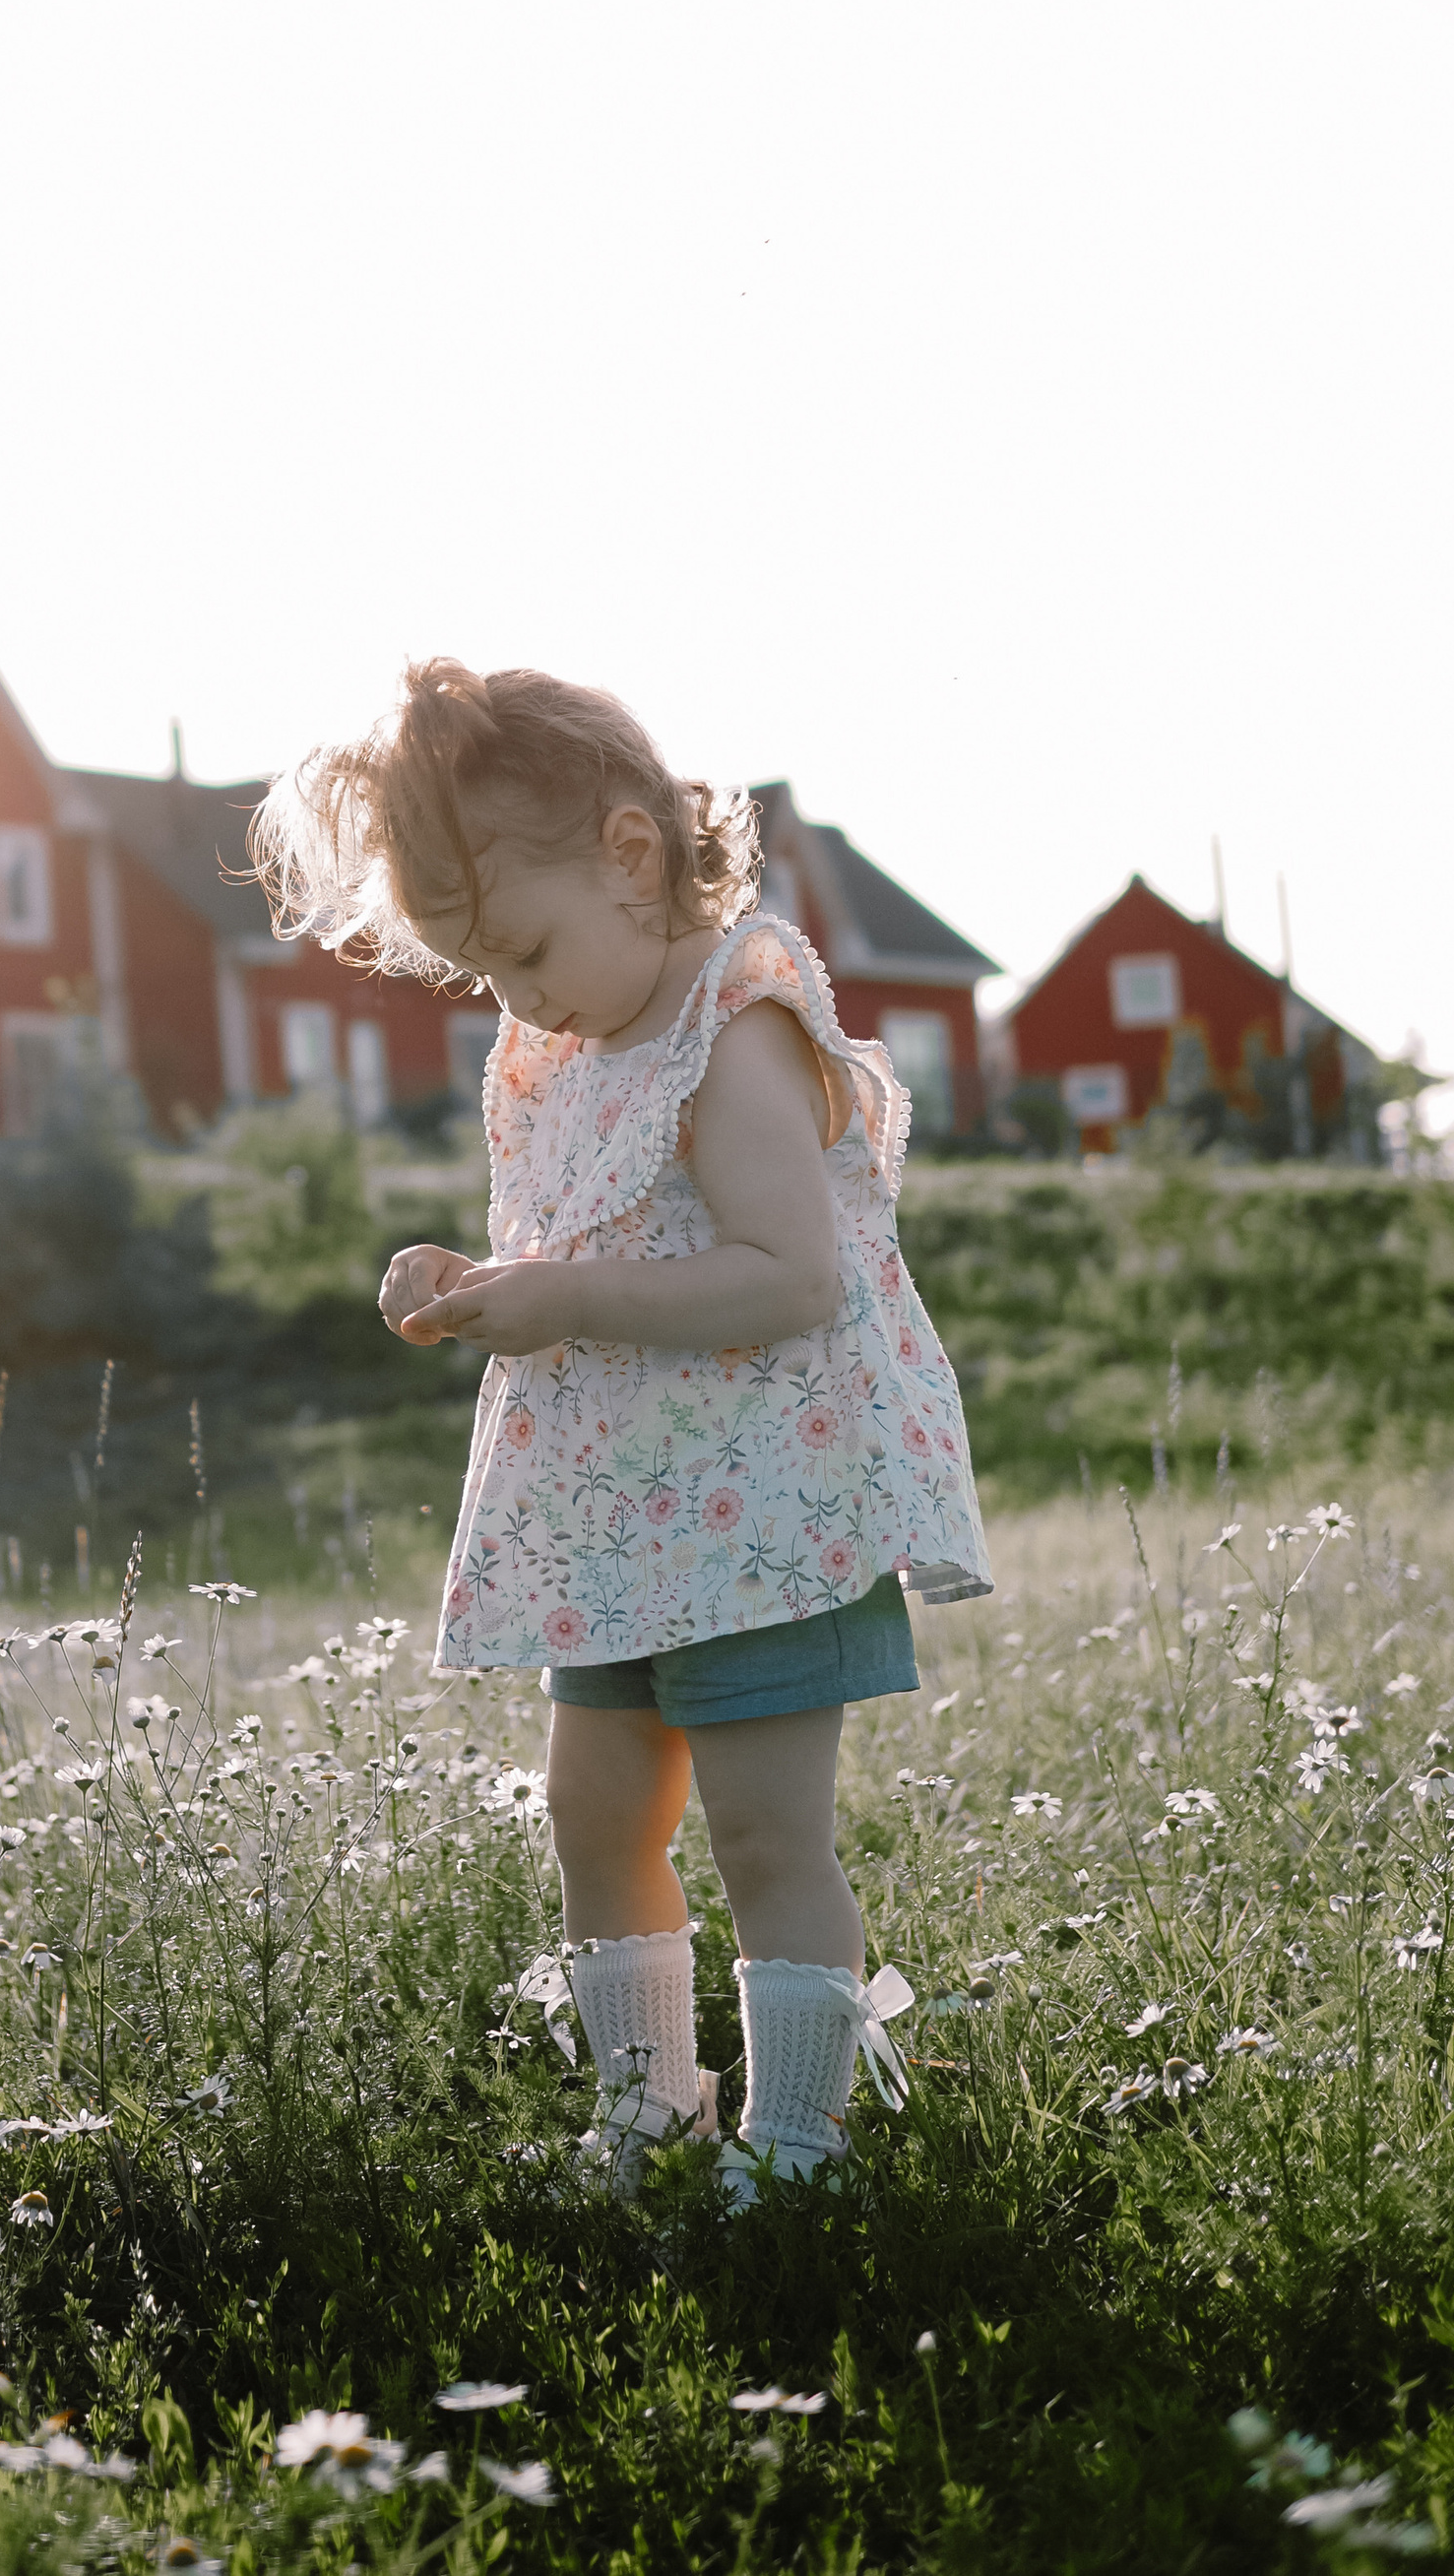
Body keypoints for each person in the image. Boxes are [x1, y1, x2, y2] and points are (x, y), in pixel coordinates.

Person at [252, 659, 991, 2200]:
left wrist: (563, 1292)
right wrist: (476, 1279)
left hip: (768, 1515)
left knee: (762, 1830)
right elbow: (587, 1237)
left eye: (522, 947)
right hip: (620, 1526)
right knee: (594, 1813)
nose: (513, 996)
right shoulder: (566, 1047)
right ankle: (650, 2114)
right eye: (478, 971)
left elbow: (789, 1276)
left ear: (631, 854)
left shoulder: (733, 1021)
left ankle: (801, 2145)